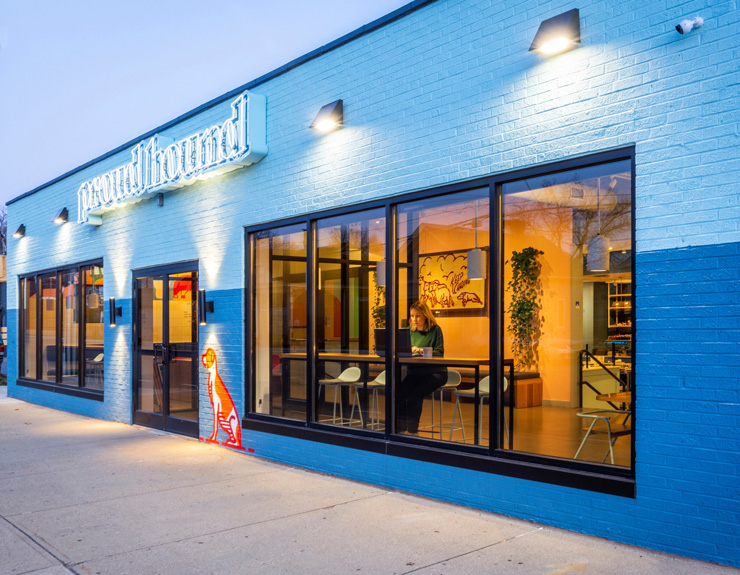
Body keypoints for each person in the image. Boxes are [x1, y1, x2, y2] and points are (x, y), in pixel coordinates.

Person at [397, 301, 447, 434]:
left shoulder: (435, 330)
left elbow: (440, 352)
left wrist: (419, 350)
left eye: (417, 316)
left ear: (425, 315)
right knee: (399, 394)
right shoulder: (409, 331)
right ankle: (401, 428)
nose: (414, 319)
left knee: (414, 396)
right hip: (416, 373)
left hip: (435, 373)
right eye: (412, 316)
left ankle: (413, 430)